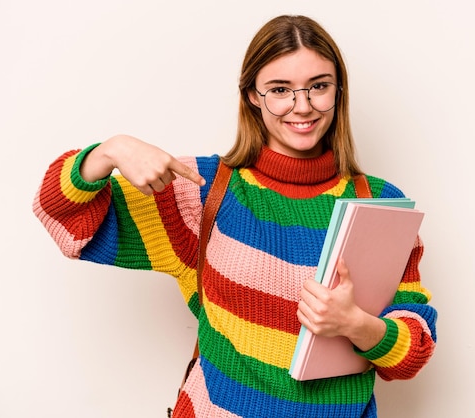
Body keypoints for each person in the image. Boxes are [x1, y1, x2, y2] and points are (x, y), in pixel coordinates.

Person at [33, 14, 437, 418]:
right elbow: (62, 214)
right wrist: (109, 151)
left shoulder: (379, 204)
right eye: (280, 89)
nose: (303, 106)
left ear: (338, 91)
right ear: (252, 96)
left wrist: (354, 324)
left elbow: (413, 352)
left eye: (319, 86)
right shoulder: (204, 191)